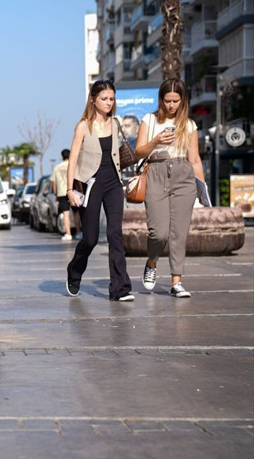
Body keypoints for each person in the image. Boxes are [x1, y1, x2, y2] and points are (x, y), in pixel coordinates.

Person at [133, 78, 207, 298]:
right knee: (159, 232)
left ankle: (177, 281)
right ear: (161, 99)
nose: (171, 105)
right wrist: (156, 140)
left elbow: (194, 159)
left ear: (182, 100)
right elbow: (138, 152)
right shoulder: (150, 120)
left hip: (183, 175)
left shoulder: (190, 125)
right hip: (156, 172)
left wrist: (203, 190)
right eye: (167, 100)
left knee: (179, 233)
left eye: (176, 100)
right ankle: (152, 262)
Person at [65, 80, 134, 301]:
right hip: (91, 184)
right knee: (91, 238)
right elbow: (73, 160)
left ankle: (120, 289)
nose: (108, 103)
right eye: (104, 98)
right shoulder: (83, 126)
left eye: (111, 99)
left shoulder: (115, 124)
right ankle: (74, 272)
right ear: (93, 100)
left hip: (113, 183)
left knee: (115, 234)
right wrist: (69, 189)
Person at [51, 149, 82, 241]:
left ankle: (68, 234)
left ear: (62, 157)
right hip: (73, 192)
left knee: (65, 214)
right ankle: (79, 232)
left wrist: (55, 193)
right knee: (76, 213)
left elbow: (54, 183)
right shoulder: (73, 165)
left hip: (61, 192)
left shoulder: (57, 168)